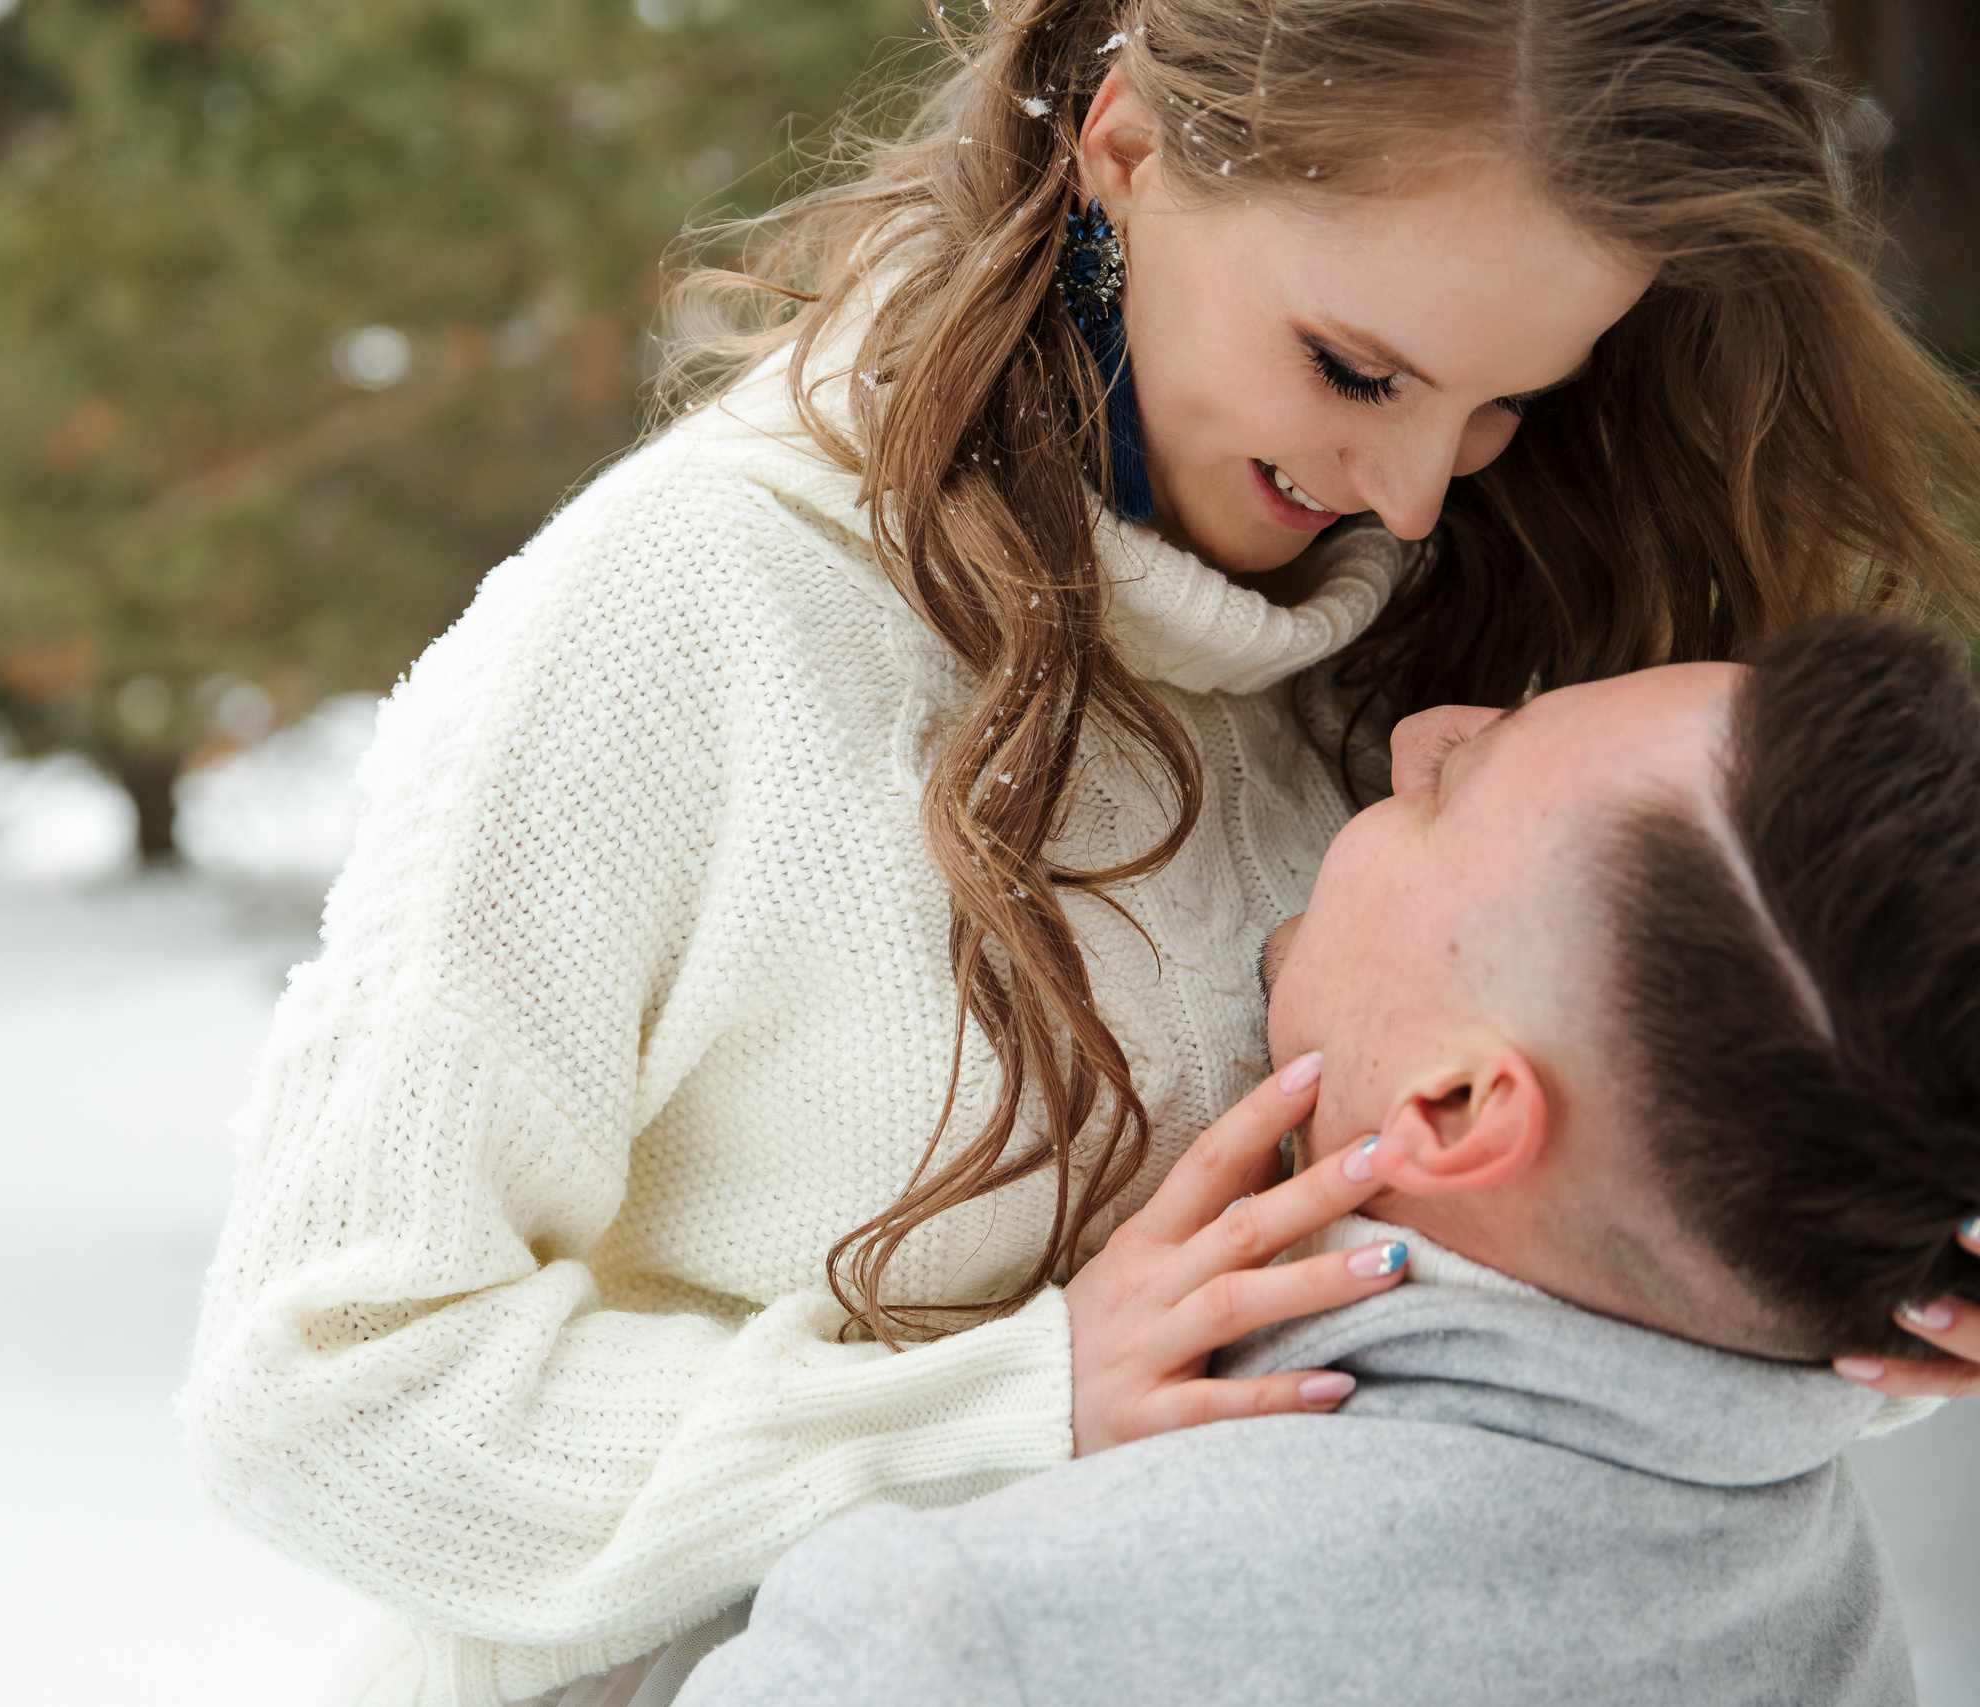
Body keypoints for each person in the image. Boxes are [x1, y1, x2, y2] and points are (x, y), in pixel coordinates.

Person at [180, 4, 1980, 1702]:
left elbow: (1523, 1237)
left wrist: (1817, 1281)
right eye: (1356, 368)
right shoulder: (692, 618)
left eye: (1509, 403)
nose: (1420, 487)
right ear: (1127, 145)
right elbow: (324, 1394)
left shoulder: (1449, 647)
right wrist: (1001, 1406)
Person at [677, 613, 1980, 1707]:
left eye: (1457, 791)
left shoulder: (967, 1641)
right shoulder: (1836, 1628)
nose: (1417, 743)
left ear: (1454, 1109)